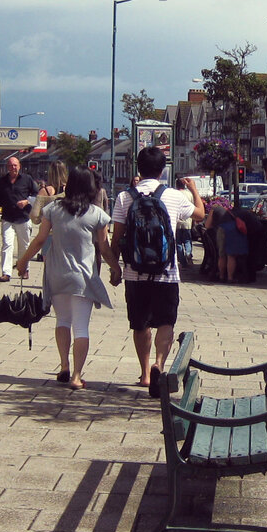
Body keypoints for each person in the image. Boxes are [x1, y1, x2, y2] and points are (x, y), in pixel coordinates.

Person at [15, 168, 122, 390]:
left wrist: (23, 260)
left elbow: (39, 239)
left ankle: (63, 366)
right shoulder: (97, 214)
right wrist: (116, 268)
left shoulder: (53, 209)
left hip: (56, 274)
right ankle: (76, 375)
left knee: (62, 321)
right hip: (83, 278)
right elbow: (104, 247)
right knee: (81, 327)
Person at [110, 147, 205, 387]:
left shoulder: (125, 197)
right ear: (162, 170)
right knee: (166, 322)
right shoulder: (173, 196)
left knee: (140, 323)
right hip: (167, 273)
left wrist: (115, 268)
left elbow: (117, 238)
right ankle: (159, 365)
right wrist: (193, 189)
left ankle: (144, 374)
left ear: (138, 168)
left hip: (135, 272)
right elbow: (200, 215)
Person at [0, 156, 38, 282]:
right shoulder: (2, 181)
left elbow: (36, 195)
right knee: (7, 244)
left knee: (24, 246)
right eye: (11, 165)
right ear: (7, 167)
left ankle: (24, 270)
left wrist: (27, 201)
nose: (13, 168)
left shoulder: (27, 179)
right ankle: (6, 272)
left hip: (23, 217)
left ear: (19, 166)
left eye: (15, 165)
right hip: (7, 217)